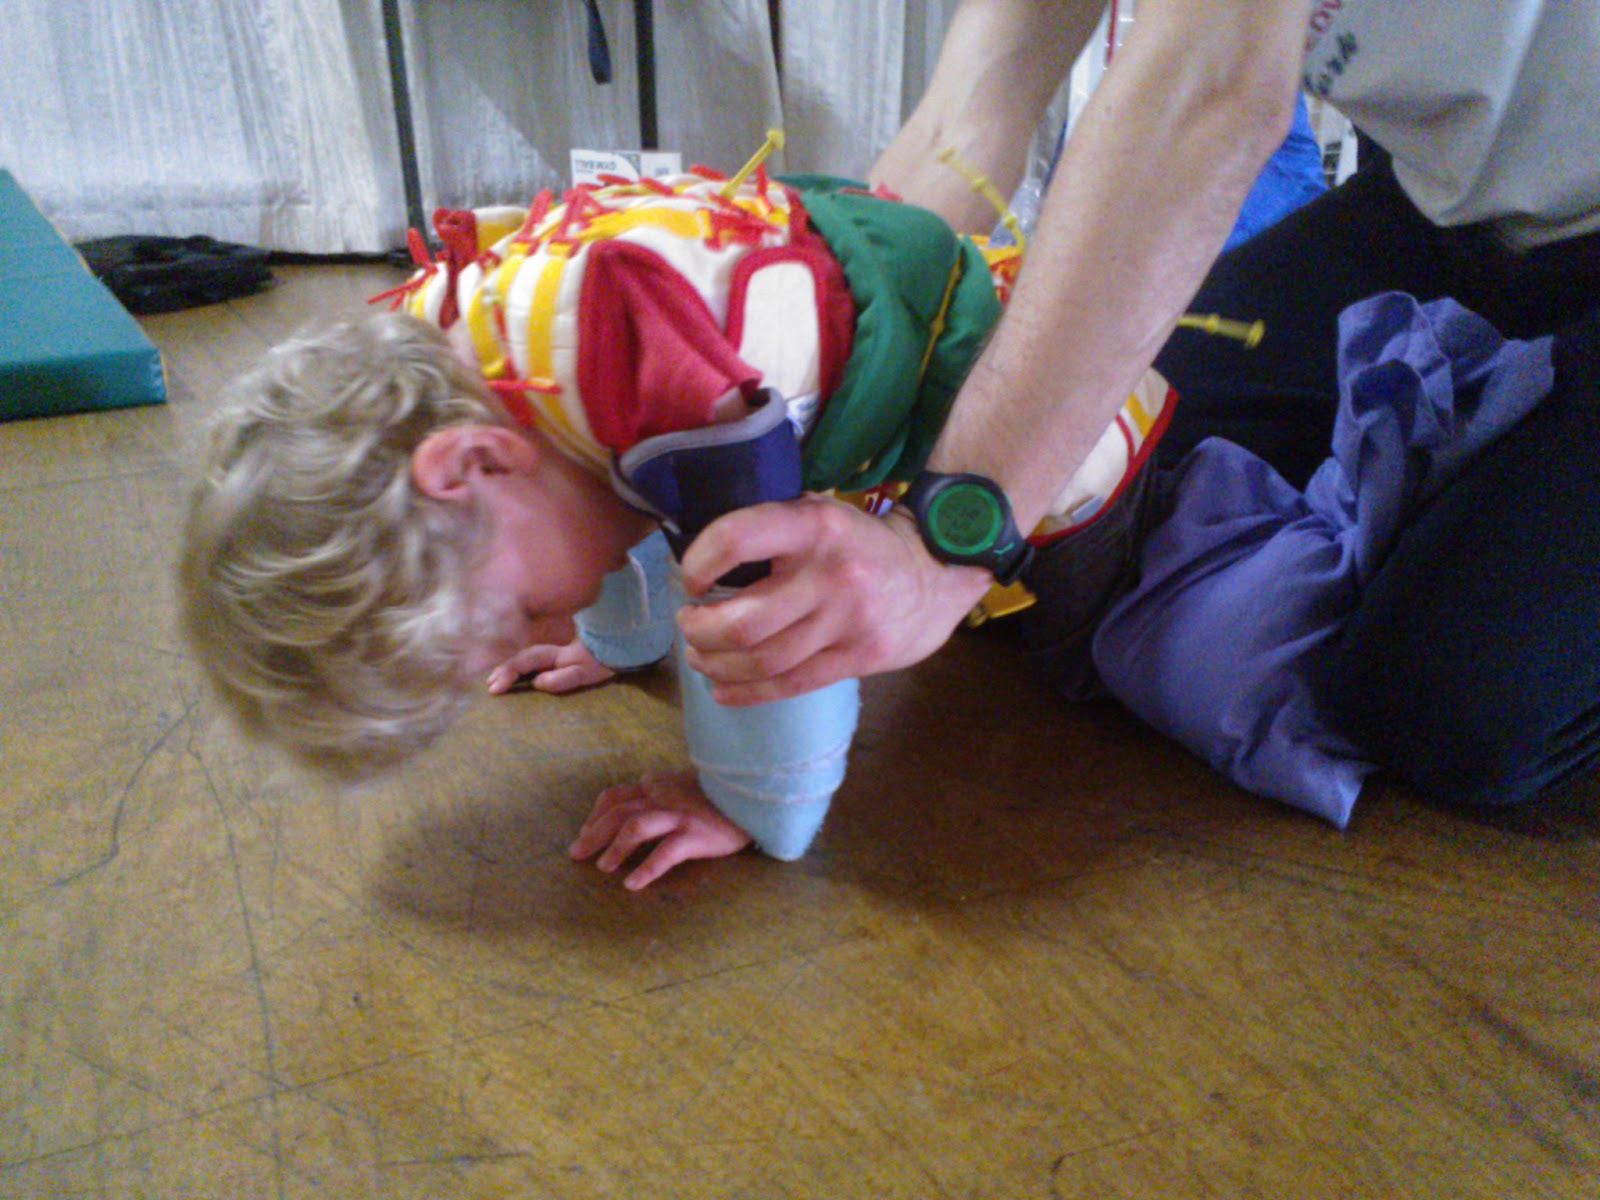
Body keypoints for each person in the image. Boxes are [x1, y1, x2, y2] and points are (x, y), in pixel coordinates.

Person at [674, 0, 1600, 817]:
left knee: (1448, 708)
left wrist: (947, 543)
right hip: (1445, 210)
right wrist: (784, 457)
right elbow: (966, 118)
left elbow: (1213, 84)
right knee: (1113, 477)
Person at [179, 162, 1172, 889]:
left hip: (1060, 455)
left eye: (516, 610)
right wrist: (612, 638)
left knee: (1091, 662)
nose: (527, 634)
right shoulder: (473, 344)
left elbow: (765, 623)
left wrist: (743, 801)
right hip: (922, 373)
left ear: (472, 467)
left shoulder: (680, 399)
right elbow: (604, 487)